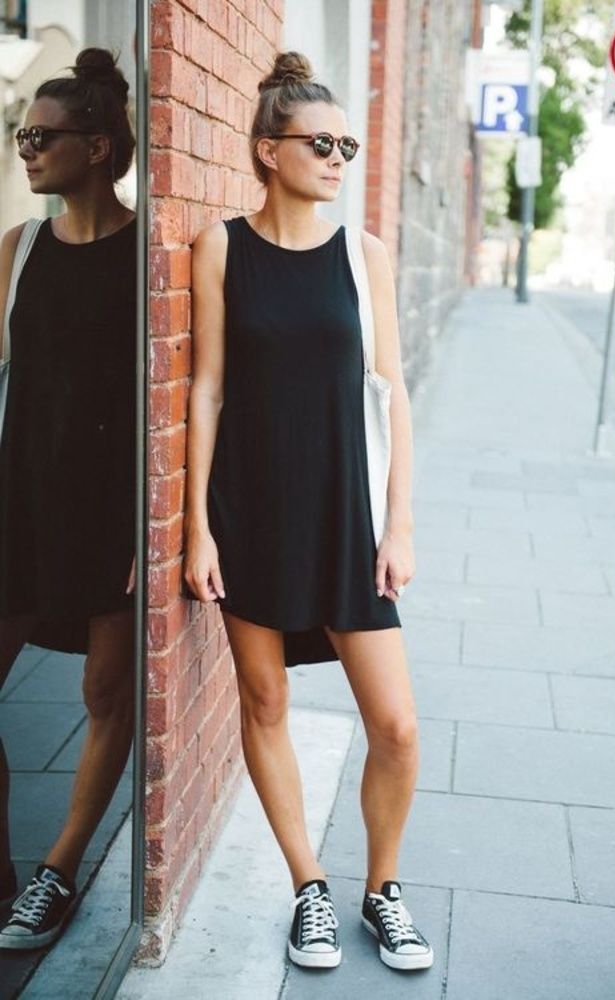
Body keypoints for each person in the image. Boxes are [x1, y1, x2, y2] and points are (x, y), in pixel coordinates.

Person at [184, 51, 433, 971]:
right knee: (265, 697)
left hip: (344, 511)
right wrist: (196, 527)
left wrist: (400, 523)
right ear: (266, 151)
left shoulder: (363, 257)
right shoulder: (220, 247)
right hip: (249, 507)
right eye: (319, 142)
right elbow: (205, 390)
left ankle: (382, 890)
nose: (337, 157)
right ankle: (309, 888)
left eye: (347, 144)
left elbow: (391, 390)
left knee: (397, 726)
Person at [0, 48, 137, 950]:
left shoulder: (149, 259)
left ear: (94, 146)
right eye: (19, 135)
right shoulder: (16, 250)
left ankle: (59, 870)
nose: (24, 150)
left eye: (40, 137)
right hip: (19, 499)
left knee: (102, 692)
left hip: (113, 510)